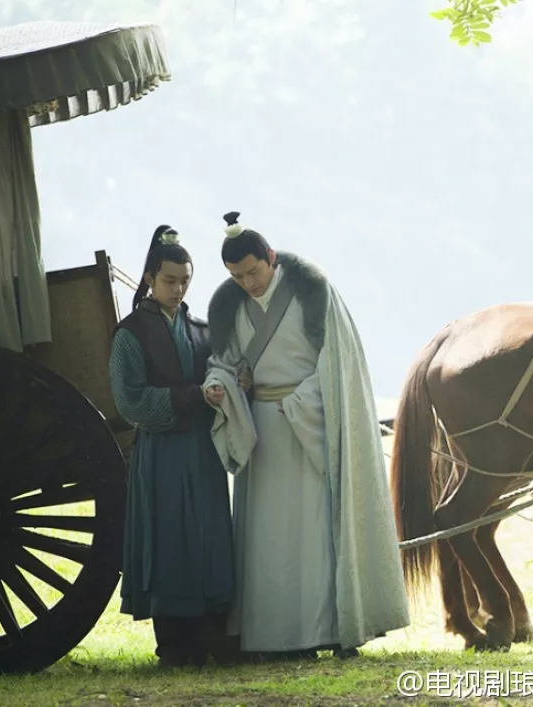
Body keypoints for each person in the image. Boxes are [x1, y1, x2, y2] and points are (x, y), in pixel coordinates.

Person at [203, 211, 409, 661]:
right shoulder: (228, 306)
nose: (249, 283)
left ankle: (328, 630)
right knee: (266, 541)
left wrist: (298, 404)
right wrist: (217, 387)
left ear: (270, 258)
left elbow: (337, 364)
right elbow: (225, 361)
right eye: (238, 277)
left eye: (254, 272)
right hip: (261, 430)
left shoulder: (313, 293)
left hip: (308, 424)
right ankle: (272, 639)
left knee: (316, 533)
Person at [109, 225, 241, 668]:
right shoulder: (130, 333)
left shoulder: (201, 329)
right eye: (170, 280)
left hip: (202, 453)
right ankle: (174, 643)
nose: (178, 288)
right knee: (169, 539)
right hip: (162, 454)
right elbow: (130, 401)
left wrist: (226, 385)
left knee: (206, 537)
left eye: (185, 280)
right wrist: (191, 396)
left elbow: (219, 373)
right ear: (149, 278)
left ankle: (213, 635)